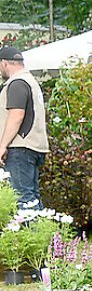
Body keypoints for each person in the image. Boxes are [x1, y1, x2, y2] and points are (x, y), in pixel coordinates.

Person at [0, 45, 48, 208]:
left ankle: (34, 233)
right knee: (32, 197)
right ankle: (44, 233)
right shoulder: (31, 81)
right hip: (33, 146)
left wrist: (2, 146)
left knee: (23, 200)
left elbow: (16, 115)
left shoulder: (17, 83)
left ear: (4, 63)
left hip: (20, 147)